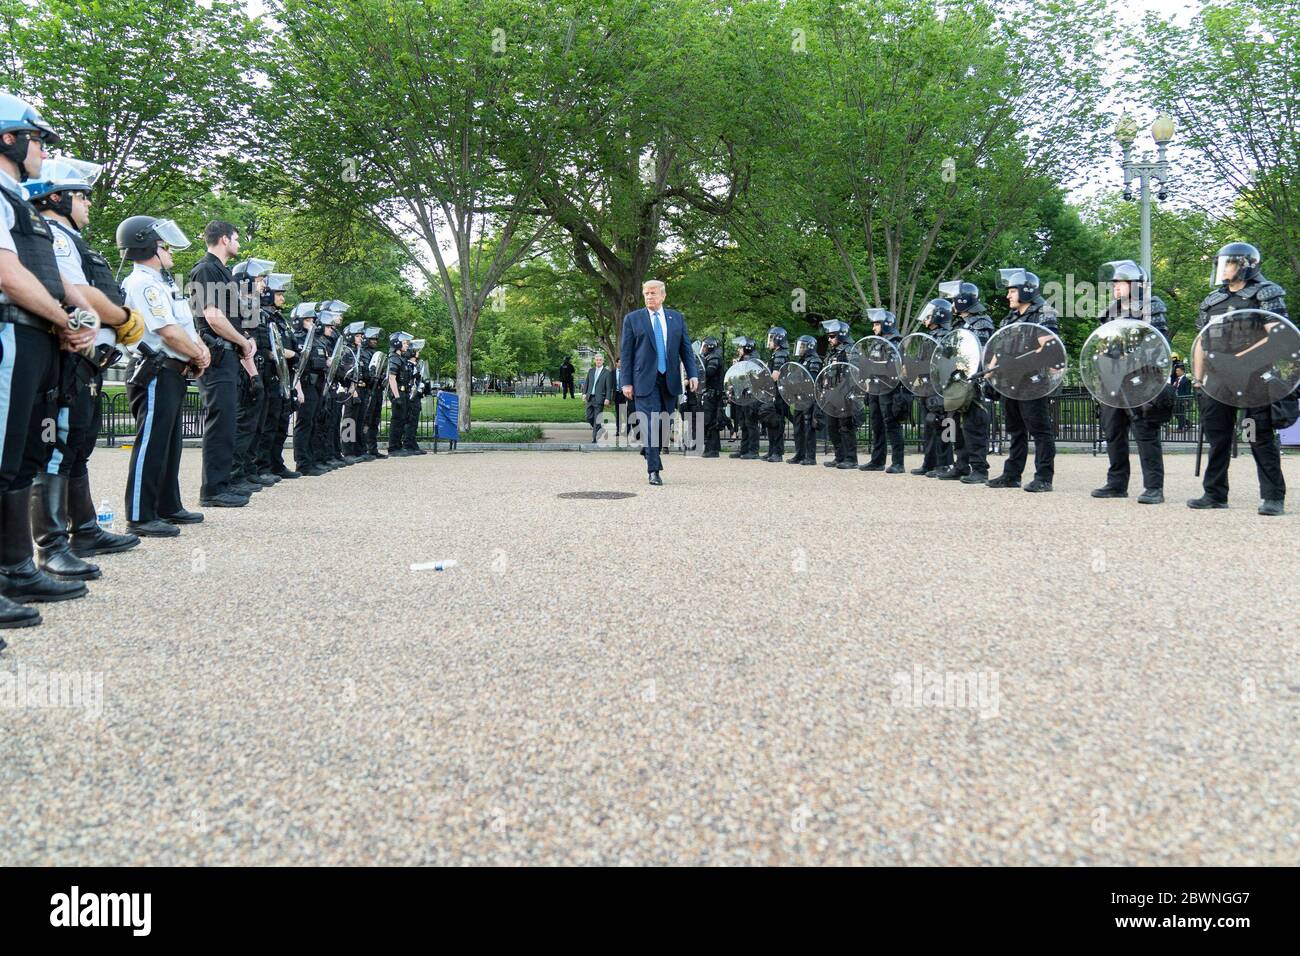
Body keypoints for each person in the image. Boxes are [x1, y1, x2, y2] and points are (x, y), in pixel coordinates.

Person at [0, 92, 98, 626]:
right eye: (36, 138)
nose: (41, 149)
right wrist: (66, 320)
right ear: (9, 137)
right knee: (2, 454)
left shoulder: (15, 201)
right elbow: (8, 274)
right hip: (14, 331)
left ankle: (15, 567)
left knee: (18, 457)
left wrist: (64, 324)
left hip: (37, 335)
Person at [24, 157, 143, 578]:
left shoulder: (72, 239)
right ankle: (51, 545)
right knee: (57, 448)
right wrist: (118, 318)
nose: (89, 204)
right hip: (74, 356)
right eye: (82, 196)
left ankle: (86, 529)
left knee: (77, 445)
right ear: (56, 197)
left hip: (89, 361)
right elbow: (76, 295)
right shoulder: (55, 236)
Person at [118, 214, 210, 538]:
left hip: (173, 370)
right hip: (156, 370)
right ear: (149, 246)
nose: (169, 251)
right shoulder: (143, 283)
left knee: (170, 443)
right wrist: (198, 353)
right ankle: (140, 515)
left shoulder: (163, 283)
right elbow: (167, 332)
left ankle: (167, 505)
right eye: (164, 245)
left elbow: (183, 326)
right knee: (151, 443)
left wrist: (198, 349)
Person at [1188, 242, 1292, 516]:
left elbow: (1280, 337)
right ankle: (1214, 494)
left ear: (1245, 265)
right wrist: (1198, 379)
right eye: (1220, 263)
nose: (1222, 268)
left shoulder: (1266, 293)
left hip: (1254, 379)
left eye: (1228, 263)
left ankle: (1272, 497)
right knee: (1218, 438)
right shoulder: (1212, 301)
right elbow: (1202, 341)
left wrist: (1241, 360)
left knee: (1257, 436)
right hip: (1218, 380)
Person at [1091, 261, 1172, 505]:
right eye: (1114, 283)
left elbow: (1155, 342)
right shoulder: (1110, 311)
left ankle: (1153, 487)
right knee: (1113, 431)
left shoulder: (1152, 306)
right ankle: (1117, 484)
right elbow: (1102, 345)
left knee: (1145, 433)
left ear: (1136, 285)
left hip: (1142, 378)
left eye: (1121, 283)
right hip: (1114, 379)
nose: (1115, 287)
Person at [187, 220, 253, 507]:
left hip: (228, 355)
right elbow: (212, 317)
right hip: (218, 355)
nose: (239, 244)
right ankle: (212, 490)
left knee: (227, 421)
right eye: (236, 238)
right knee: (219, 421)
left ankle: (222, 484)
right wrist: (241, 341)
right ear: (224, 239)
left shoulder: (222, 272)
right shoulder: (206, 269)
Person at [618, 279, 698, 485]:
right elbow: (626, 354)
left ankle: (649, 448)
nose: (649, 297)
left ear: (663, 295)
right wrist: (625, 382)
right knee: (651, 422)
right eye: (646, 293)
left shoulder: (676, 318)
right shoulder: (633, 319)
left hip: (669, 380)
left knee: (665, 424)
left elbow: (685, 349)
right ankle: (654, 469)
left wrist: (693, 374)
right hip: (644, 380)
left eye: (653, 293)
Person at [987, 268, 1059, 493]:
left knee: (1040, 431)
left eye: (1012, 291)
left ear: (1026, 291)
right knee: (1015, 429)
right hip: (1010, 381)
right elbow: (998, 346)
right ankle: (1011, 475)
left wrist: (1020, 362)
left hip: (1033, 381)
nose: (1008, 295)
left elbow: (1047, 347)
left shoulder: (1043, 312)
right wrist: (990, 370)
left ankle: (1044, 477)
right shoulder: (1010, 317)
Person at [936, 282, 994, 485]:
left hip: (974, 383)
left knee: (974, 426)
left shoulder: (982, 322)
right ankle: (961, 465)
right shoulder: (959, 325)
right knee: (955, 427)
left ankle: (979, 468)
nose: (952, 304)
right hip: (956, 382)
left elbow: (981, 353)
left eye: (954, 300)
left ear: (963, 301)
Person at [256, 273, 300, 478]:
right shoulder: (261, 316)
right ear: (267, 295)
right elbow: (263, 349)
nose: (283, 298)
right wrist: (282, 354)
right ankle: (262, 466)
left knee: (281, 423)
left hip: (283, 377)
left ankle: (276, 463)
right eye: (279, 294)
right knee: (268, 424)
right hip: (269, 375)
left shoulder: (280, 319)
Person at [860, 308, 907, 474]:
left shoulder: (894, 342)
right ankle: (877, 460)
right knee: (877, 425)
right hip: (874, 387)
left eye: (876, 323)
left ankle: (898, 463)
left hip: (888, 388)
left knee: (891, 424)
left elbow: (895, 368)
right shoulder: (876, 341)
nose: (873, 327)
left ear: (886, 324)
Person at [913, 299, 954, 477]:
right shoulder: (928, 336)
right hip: (927, 387)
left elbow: (948, 363)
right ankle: (929, 463)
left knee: (943, 424)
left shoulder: (948, 335)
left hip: (942, 387)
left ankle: (944, 464)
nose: (925, 318)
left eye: (929, 315)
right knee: (929, 425)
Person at [292, 302, 328, 475]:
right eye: (307, 320)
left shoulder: (318, 341)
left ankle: (311, 460)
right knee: (304, 423)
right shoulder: (297, 339)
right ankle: (302, 462)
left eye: (313, 320)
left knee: (313, 423)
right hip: (305, 384)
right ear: (299, 321)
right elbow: (294, 366)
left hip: (318, 385)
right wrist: (297, 388)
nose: (312, 323)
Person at [820, 319, 860, 469]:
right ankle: (839, 456)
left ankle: (851, 459)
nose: (829, 339)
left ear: (841, 335)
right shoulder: (832, 353)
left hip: (844, 395)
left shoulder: (851, 350)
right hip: (832, 394)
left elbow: (854, 372)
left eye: (832, 336)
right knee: (832, 427)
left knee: (846, 427)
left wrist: (846, 391)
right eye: (828, 336)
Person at [786, 334, 822, 465]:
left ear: (810, 347)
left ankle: (810, 456)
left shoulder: (814, 361)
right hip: (799, 398)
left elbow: (811, 380)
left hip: (808, 398)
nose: (800, 349)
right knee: (798, 427)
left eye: (802, 346)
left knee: (808, 427)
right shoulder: (801, 361)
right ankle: (799, 454)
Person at [726, 337, 761, 460]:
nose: (738, 350)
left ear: (746, 348)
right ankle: (744, 449)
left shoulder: (752, 360)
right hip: (742, 394)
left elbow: (748, 377)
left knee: (751, 423)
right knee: (744, 424)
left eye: (740, 347)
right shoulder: (744, 359)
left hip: (750, 395)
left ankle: (753, 450)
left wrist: (738, 366)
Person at [339, 320, 369, 461]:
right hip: (351, 390)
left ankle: (359, 449)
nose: (361, 338)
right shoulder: (347, 351)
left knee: (359, 420)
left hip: (362, 389)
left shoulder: (359, 352)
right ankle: (348, 451)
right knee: (349, 421)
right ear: (350, 336)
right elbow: (346, 373)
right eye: (358, 336)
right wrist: (352, 390)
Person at [762, 326, 790, 462]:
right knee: (771, 422)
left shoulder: (781, 355)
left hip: (779, 394)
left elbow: (775, 376)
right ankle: (772, 451)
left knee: (777, 423)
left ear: (778, 340)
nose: (769, 341)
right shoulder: (776, 354)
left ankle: (777, 453)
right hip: (774, 393)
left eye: (771, 338)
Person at [386, 331, 413, 456]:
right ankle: (393, 447)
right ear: (397, 344)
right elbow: (391, 378)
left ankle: (398, 445)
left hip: (404, 392)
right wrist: (396, 397)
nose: (407, 345)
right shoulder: (394, 358)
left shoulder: (401, 358)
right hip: (398, 392)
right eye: (404, 343)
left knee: (402, 419)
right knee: (397, 420)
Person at [362, 326, 387, 459]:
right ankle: (363, 447)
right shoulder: (363, 353)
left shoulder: (375, 353)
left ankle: (372, 448)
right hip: (367, 390)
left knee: (374, 421)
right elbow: (367, 372)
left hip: (377, 390)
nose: (375, 341)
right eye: (372, 338)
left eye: (376, 339)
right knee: (366, 420)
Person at [402, 339, 428, 455]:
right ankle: (408, 444)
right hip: (411, 396)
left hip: (416, 396)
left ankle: (411, 442)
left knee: (414, 421)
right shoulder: (408, 364)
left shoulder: (415, 365)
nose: (418, 353)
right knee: (410, 420)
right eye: (416, 351)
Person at [698, 338, 724, 458]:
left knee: (710, 421)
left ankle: (711, 449)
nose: (703, 349)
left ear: (710, 347)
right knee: (710, 420)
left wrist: (698, 369)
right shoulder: (710, 357)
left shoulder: (713, 357)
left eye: (704, 346)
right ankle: (713, 448)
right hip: (710, 393)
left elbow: (709, 372)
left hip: (712, 394)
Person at [583, 352, 613, 443]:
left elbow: (609, 387)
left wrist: (607, 398)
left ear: (603, 361)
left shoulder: (607, 373)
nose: (598, 361)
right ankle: (599, 427)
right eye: (597, 360)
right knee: (589, 417)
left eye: (600, 360)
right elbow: (586, 383)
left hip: (600, 399)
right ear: (594, 361)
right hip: (590, 398)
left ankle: (594, 438)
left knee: (596, 418)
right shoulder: (591, 371)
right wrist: (584, 393)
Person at [1171, 361, 1192, 430]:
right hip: (1176, 399)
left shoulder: (1186, 380)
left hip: (1182, 400)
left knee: (1180, 413)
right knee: (1175, 412)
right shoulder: (1176, 379)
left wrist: (1186, 400)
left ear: (1182, 371)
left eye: (1178, 370)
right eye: (1176, 370)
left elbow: (1188, 391)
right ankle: (1187, 422)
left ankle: (1180, 427)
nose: (1176, 372)